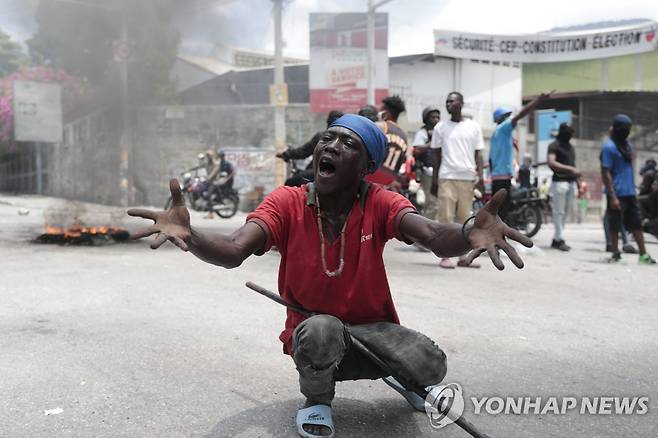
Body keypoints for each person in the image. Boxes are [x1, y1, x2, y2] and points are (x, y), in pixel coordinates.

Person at [128, 114, 533, 438]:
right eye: (328, 138)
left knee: (431, 365)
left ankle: (409, 380)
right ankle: (317, 401)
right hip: (318, 340)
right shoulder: (287, 202)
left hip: (374, 333)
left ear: (366, 167)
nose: (331, 147)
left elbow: (432, 236)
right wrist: (192, 235)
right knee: (322, 328)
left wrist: (467, 232)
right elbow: (234, 250)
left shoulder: (380, 201)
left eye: (348, 143)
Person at [430, 92, 485, 269]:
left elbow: (479, 154)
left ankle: (463, 256)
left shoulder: (474, 126)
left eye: (452, 101)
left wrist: (481, 177)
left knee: (465, 219)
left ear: (461, 103)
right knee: (445, 217)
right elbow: (436, 155)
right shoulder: (440, 127)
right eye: (446, 101)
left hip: (467, 178)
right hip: (446, 176)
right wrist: (434, 179)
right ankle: (445, 255)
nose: (448, 104)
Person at [600, 114, 656, 264]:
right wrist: (612, 196)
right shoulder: (608, 147)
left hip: (630, 192)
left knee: (636, 224)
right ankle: (615, 253)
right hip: (616, 193)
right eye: (625, 128)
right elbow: (605, 172)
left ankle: (643, 255)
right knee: (615, 224)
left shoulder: (627, 146)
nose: (627, 131)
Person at [489, 91, 552, 220]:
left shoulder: (496, 134)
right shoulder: (503, 128)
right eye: (506, 116)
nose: (509, 119)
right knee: (502, 212)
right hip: (503, 176)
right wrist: (538, 100)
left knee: (498, 209)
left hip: (496, 177)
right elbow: (520, 115)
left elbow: (490, 159)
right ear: (500, 118)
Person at [277, 111, 344, 187]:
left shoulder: (322, 136)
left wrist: (286, 154)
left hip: (319, 171)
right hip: (339, 173)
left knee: (290, 183)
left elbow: (303, 152)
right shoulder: (346, 139)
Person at [547, 123, 580, 251]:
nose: (570, 134)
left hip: (571, 183)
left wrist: (578, 181)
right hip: (560, 182)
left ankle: (556, 238)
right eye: (569, 131)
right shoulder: (554, 145)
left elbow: (574, 165)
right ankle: (559, 239)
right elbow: (551, 162)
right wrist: (570, 169)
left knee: (565, 213)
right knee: (558, 212)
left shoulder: (570, 147)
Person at [364, 95, 408, 189]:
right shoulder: (404, 136)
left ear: (385, 112)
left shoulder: (381, 126)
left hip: (371, 178)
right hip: (389, 183)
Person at [412, 106, 440, 220]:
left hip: (440, 172)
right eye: (433, 117)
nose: (436, 119)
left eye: (438, 117)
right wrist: (432, 142)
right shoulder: (422, 133)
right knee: (433, 204)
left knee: (438, 204)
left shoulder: (440, 132)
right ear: (426, 118)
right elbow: (417, 149)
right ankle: (426, 230)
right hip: (428, 172)